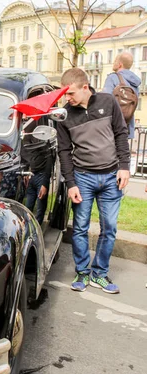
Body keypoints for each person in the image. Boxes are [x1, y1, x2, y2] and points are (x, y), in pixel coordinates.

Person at [57, 68, 130, 294]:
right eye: (65, 95)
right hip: (83, 178)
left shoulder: (108, 102)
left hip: (111, 177)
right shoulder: (64, 115)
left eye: (71, 94)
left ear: (85, 87)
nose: (67, 99)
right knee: (80, 228)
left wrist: (124, 167)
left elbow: (121, 133)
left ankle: (99, 274)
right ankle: (82, 272)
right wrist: (71, 183)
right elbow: (64, 151)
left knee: (109, 228)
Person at [102, 52, 141, 139]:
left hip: (111, 127)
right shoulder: (135, 83)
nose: (113, 63)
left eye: (115, 60)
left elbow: (104, 100)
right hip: (127, 126)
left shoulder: (112, 78)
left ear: (119, 64)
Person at [22, 119, 53, 225]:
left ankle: (37, 231)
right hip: (31, 175)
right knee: (28, 207)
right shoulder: (26, 136)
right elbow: (25, 156)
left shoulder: (42, 135)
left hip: (41, 175)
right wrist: (26, 171)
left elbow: (49, 162)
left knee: (40, 209)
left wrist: (45, 183)